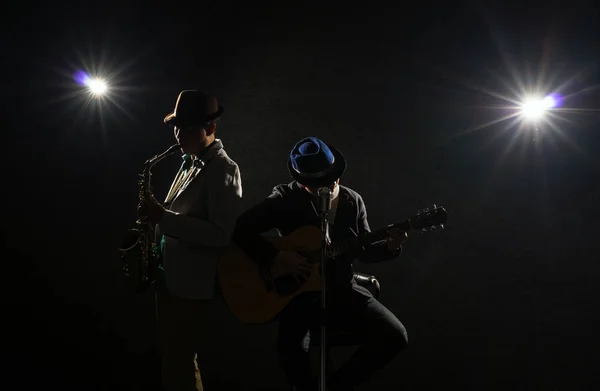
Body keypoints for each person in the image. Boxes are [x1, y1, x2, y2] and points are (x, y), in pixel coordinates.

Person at [232, 136, 408, 391]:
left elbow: (365, 250)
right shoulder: (284, 198)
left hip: (341, 287)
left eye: (332, 178)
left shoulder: (352, 201)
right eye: (317, 184)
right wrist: (276, 257)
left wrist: (391, 246)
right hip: (298, 292)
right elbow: (241, 229)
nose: (329, 186)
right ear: (303, 183)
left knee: (394, 336)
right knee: (293, 352)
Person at [139, 90, 243, 391]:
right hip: (170, 276)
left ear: (210, 129)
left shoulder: (225, 169)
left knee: (180, 362)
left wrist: (163, 218)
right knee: (173, 362)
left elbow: (222, 234)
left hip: (190, 286)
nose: (177, 135)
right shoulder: (190, 161)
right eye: (176, 126)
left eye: (185, 128)